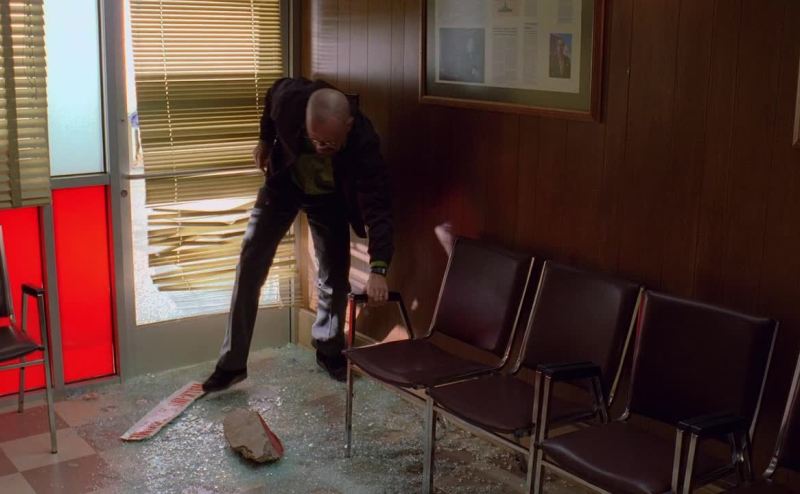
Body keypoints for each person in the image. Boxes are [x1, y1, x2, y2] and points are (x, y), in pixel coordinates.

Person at [202, 77, 393, 391]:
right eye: (314, 139)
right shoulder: (289, 100)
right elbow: (271, 96)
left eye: (329, 144)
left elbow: (378, 205)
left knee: (335, 278)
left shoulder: (364, 141)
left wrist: (379, 267)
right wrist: (265, 141)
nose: (320, 148)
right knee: (250, 266)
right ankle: (231, 365)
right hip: (284, 186)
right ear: (304, 120)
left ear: (348, 126)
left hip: (330, 197)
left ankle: (329, 349)